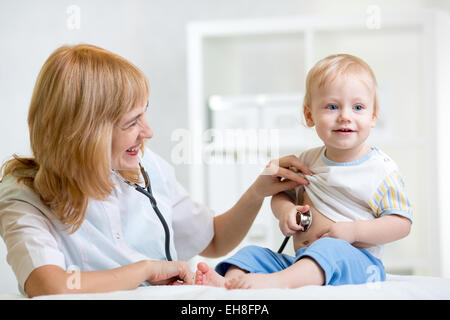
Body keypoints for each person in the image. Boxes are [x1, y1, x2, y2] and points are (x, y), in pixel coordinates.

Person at [0, 44, 311, 297]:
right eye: (132, 122)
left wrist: (257, 191)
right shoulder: (24, 195)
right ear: (87, 133)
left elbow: (213, 240)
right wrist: (146, 271)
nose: (148, 132)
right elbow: (49, 285)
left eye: (143, 115)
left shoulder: (147, 167)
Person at [195, 54, 413, 289]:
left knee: (330, 249)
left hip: (357, 264)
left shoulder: (381, 169)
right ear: (310, 115)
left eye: (358, 107)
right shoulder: (307, 161)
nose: (345, 116)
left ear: (372, 116)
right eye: (332, 106)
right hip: (303, 260)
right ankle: (230, 282)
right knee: (254, 254)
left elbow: (401, 223)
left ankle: (274, 283)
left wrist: (352, 231)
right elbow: (282, 194)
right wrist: (286, 211)